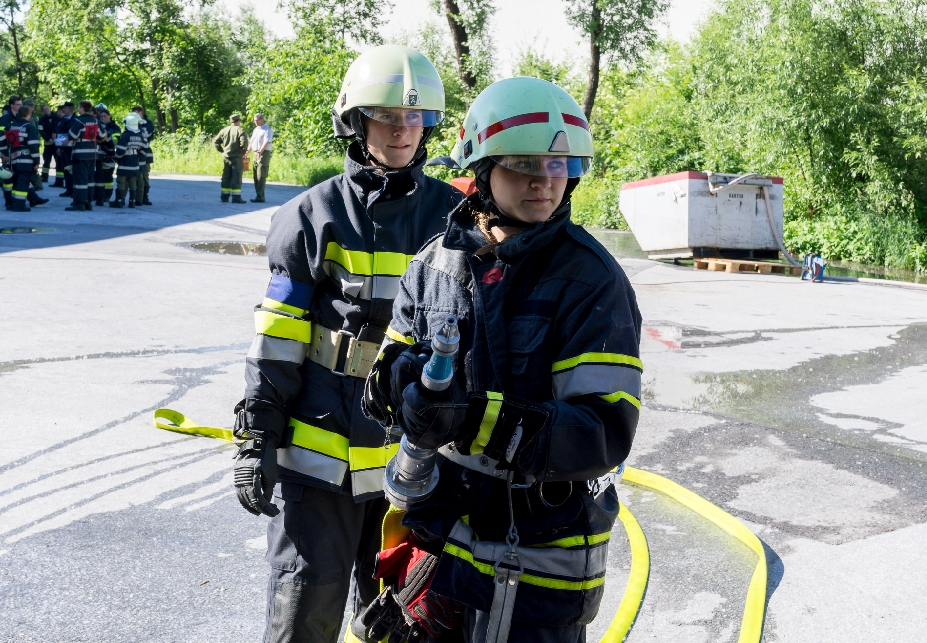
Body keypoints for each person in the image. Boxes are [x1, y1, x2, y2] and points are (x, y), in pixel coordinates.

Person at [357, 77, 642, 643]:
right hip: (440, 552)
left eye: (559, 164)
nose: (544, 180)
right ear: (482, 169)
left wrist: (470, 418)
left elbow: (602, 433)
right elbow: (384, 373)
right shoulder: (434, 264)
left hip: (536, 571)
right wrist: (401, 384)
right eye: (523, 163)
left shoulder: (591, 281)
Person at [230, 45, 457, 643]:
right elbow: (277, 340)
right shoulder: (312, 215)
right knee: (304, 612)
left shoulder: (455, 218)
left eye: (415, 118)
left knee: (403, 621)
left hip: (414, 465)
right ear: (355, 122)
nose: (403, 130)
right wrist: (257, 436)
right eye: (387, 116)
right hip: (318, 467)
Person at [0, 102, 47, 212]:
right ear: (28, 115)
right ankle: (19, 205)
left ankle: (13, 203)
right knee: (23, 183)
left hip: (13, 160)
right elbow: (33, 146)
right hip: (25, 160)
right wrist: (36, 161)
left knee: (15, 181)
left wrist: (5, 152)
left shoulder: (10, 126)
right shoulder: (29, 127)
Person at [66, 100, 104, 211]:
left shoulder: (79, 120)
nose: (78, 109)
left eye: (79, 107)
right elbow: (102, 136)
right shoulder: (95, 120)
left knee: (80, 179)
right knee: (90, 178)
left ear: (82, 108)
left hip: (80, 154)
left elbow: (72, 135)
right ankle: (88, 202)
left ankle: (80, 203)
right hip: (93, 154)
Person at [113, 113, 146, 208]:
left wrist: (116, 158)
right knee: (133, 183)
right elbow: (144, 151)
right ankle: (132, 202)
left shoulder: (126, 136)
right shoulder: (140, 136)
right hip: (135, 165)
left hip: (124, 164)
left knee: (121, 182)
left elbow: (120, 151)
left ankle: (119, 201)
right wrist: (138, 158)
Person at [213, 113, 248, 203]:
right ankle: (236, 197)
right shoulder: (240, 130)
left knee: (226, 177)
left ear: (231, 121)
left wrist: (221, 150)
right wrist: (242, 152)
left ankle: (224, 196)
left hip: (226, 158)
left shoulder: (224, 130)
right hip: (236, 158)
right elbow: (244, 143)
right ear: (238, 121)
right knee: (237, 177)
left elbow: (216, 142)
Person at [94, 105, 120, 206]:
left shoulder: (115, 128)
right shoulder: (99, 126)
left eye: (105, 116)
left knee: (108, 177)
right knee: (99, 176)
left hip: (109, 155)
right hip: (99, 155)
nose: (103, 118)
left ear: (110, 116)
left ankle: (107, 195)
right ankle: (98, 195)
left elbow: (115, 141)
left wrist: (105, 137)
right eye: (101, 116)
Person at [248, 113, 273, 203]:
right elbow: (251, 142)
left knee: (261, 175)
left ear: (262, 119)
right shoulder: (256, 129)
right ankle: (258, 195)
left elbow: (267, 141)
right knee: (255, 175)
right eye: (254, 120)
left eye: (257, 120)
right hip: (256, 153)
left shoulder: (267, 129)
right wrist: (247, 152)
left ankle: (261, 196)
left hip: (263, 153)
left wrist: (260, 151)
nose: (256, 122)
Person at [132, 105, 154, 206]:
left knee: (144, 176)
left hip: (146, 154)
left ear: (141, 112)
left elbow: (145, 135)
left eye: (136, 114)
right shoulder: (132, 123)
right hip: (134, 154)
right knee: (135, 177)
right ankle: (137, 197)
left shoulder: (148, 123)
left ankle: (145, 197)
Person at [55, 101, 77, 197]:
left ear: (71, 109)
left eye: (65, 108)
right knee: (66, 169)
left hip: (72, 148)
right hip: (64, 148)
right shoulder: (63, 120)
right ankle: (68, 189)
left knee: (72, 170)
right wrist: (59, 147)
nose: (63, 110)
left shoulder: (76, 120)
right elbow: (59, 133)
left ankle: (73, 189)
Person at [38, 103, 58, 184]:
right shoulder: (41, 120)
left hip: (56, 143)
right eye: (44, 110)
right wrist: (48, 138)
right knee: (46, 161)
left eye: (47, 108)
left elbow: (59, 127)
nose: (46, 110)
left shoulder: (56, 117)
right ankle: (44, 176)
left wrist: (56, 135)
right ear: (42, 111)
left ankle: (59, 178)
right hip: (47, 143)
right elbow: (41, 131)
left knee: (58, 160)